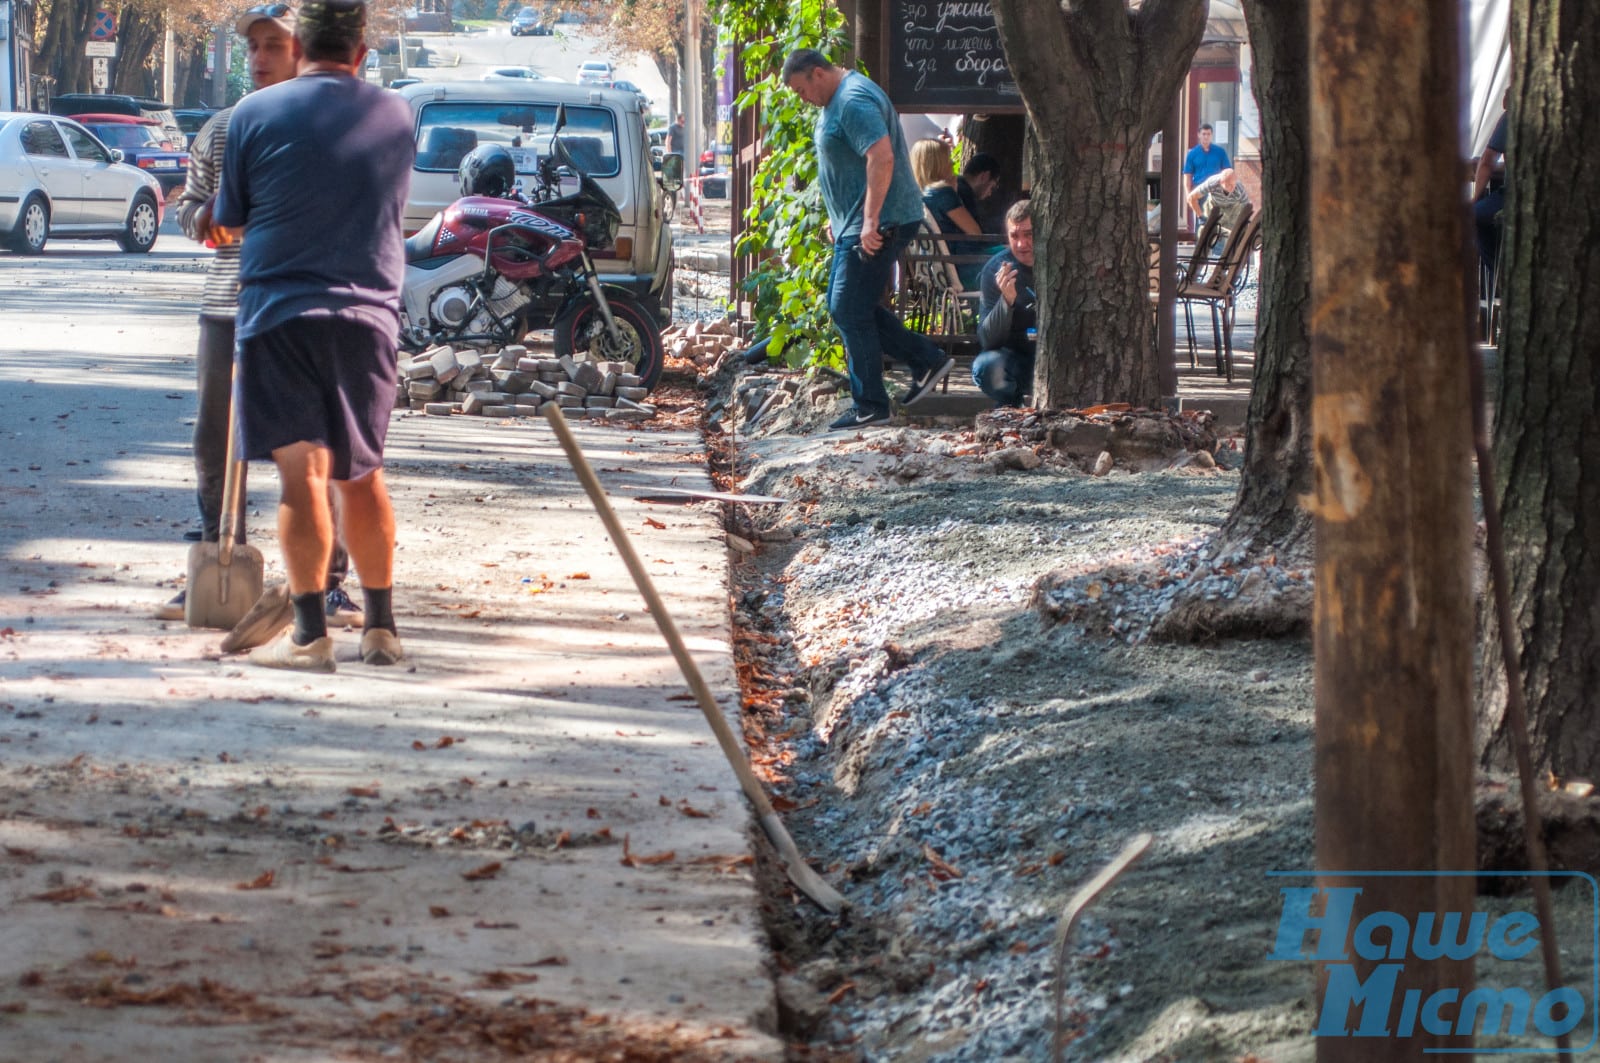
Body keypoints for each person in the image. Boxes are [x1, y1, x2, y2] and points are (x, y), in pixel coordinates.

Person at [211, 0, 415, 671]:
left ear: (297, 48)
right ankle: (381, 628)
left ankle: (310, 635)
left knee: (303, 479)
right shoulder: (396, 116)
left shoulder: (250, 115)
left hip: (279, 312)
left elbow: (231, 215)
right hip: (367, 317)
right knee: (362, 474)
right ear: (360, 51)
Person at [158, 2, 365, 645]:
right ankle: (221, 554)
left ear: (303, 49)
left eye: (273, 45)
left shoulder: (328, 126)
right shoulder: (222, 129)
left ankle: (328, 581)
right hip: (228, 303)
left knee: (313, 448)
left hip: (305, 306)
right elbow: (192, 207)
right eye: (253, 47)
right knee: (214, 439)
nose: (260, 58)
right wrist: (209, 221)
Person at [781, 48, 954, 431]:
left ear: (816, 74)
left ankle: (872, 404)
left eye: (800, 90)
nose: (802, 99)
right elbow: (849, 165)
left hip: (882, 222)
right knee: (849, 306)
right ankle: (925, 360)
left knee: (846, 308)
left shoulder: (853, 100)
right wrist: (840, 216)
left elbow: (882, 157)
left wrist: (870, 220)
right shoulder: (839, 98)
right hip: (858, 222)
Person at [972, 200, 1037, 408]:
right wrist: (1006, 301)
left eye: (1029, 235)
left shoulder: (1063, 261)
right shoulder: (996, 269)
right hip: (1017, 357)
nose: (1021, 244)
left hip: (1059, 357)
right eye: (1014, 236)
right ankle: (1012, 406)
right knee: (986, 366)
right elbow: (987, 340)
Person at [910, 138, 993, 289]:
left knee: (1011, 248)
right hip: (966, 266)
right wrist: (955, 193)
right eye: (947, 158)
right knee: (1019, 254)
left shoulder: (919, 195)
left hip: (944, 269)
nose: (952, 163)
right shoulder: (942, 193)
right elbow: (976, 233)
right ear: (938, 163)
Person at [1472, 96, 1509, 270]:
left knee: (1474, 215)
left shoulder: (1511, 118)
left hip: (1513, 196)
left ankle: (1499, 273)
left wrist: (1476, 197)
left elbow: (1487, 161)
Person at [1186, 167, 1251, 249]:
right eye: (1229, 185)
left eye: (1233, 184)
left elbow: (1247, 207)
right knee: (1204, 232)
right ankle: (1202, 256)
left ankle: (1231, 256)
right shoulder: (1212, 183)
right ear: (1221, 182)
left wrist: (1244, 223)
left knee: (1235, 235)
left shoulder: (1239, 188)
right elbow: (1191, 197)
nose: (1232, 188)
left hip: (1232, 209)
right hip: (1214, 207)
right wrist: (1201, 217)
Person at [1181, 124, 1231, 221]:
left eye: (1208, 134)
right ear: (1199, 135)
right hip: (1199, 190)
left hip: (1216, 190)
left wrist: (1227, 191)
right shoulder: (1192, 154)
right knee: (1201, 221)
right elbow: (1187, 176)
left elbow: (1227, 172)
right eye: (1203, 134)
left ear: (1211, 135)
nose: (1206, 137)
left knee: (1217, 220)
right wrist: (1188, 195)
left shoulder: (1220, 152)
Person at [959, 152, 1007, 235]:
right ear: (984, 176)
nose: (990, 193)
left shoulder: (958, 187)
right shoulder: (965, 194)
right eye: (992, 187)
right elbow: (977, 234)